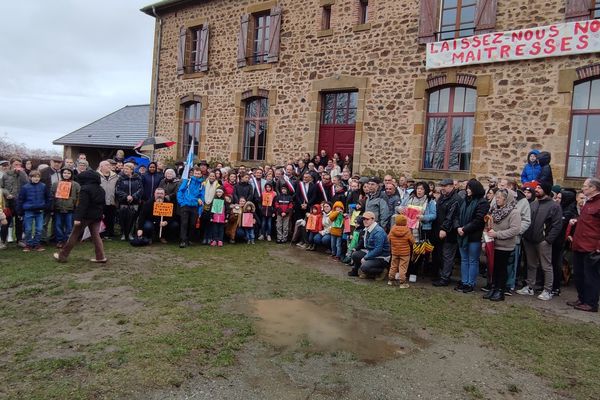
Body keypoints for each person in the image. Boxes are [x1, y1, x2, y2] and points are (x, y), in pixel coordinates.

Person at [517, 182, 562, 301]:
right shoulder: (533, 204)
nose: (536, 189)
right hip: (529, 239)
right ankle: (530, 286)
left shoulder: (554, 206)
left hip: (543, 241)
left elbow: (557, 226)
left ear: (546, 190)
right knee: (531, 265)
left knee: (546, 266)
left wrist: (548, 240)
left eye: (539, 188)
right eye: (536, 187)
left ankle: (548, 290)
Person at [53, 170, 106, 263]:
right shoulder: (101, 189)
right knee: (96, 236)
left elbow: (82, 205)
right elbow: (102, 204)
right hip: (97, 216)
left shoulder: (85, 189)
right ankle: (100, 257)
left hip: (85, 216)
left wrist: (77, 218)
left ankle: (62, 255)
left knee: (74, 235)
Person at [484, 189, 522, 301]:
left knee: (501, 268)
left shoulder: (514, 212)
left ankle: (500, 290)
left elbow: (515, 230)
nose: (497, 199)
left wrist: (497, 234)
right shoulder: (494, 210)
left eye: (500, 197)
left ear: (506, 199)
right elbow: (488, 225)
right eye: (497, 197)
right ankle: (493, 287)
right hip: (493, 244)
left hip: (505, 245)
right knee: (493, 268)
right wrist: (485, 239)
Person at [569, 177, 600, 312]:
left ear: (593, 188)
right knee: (579, 274)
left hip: (591, 246)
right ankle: (582, 298)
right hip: (579, 244)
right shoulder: (587, 202)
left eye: (585, 186)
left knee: (591, 276)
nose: (583, 188)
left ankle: (591, 303)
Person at [456, 179, 488, 293]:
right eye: (467, 188)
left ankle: (471, 283)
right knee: (464, 260)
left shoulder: (482, 202)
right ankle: (464, 281)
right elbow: (458, 215)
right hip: (462, 234)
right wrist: (459, 227)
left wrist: (465, 229)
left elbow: (479, 220)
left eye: (470, 188)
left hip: (473, 235)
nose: (468, 190)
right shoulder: (465, 201)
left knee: (473, 260)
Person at [432, 178, 464, 286]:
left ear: (451, 186)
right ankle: (441, 275)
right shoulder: (443, 197)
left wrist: (444, 229)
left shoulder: (456, 199)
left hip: (449, 233)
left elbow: (451, 216)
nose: (442, 188)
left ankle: (445, 278)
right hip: (439, 229)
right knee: (440, 254)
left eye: (444, 186)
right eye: (442, 186)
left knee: (447, 255)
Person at [348, 211, 391, 279]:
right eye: (364, 219)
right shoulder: (366, 229)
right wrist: (356, 248)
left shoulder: (378, 231)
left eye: (367, 219)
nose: (365, 221)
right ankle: (356, 271)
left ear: (373, 219)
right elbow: (363, 242)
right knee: (355, 254)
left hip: (381, 257)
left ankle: (382, 271)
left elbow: (378, 250)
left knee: (364, 266)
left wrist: (366, 257)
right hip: (371, 252)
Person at [18, 170, 51, 252]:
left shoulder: (43, 186)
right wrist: (20, 212)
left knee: (39, 229)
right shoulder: (25, 187)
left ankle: (36, 244)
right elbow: (20, 200)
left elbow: (48, 197)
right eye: (34, 177)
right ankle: (28, 244)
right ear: (30, 178)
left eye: (38, 177)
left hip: (39, 211)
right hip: (28, 211)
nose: (36, 179)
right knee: (28, 229)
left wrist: (46, 206)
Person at [1, 158, 29, 247]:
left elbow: (27, 184)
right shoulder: (5, 175)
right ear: (11, 164)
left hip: (19, 202)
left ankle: (19, 240)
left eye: (19, 165)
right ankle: (3, 241)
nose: (17, 166)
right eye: (16, 164)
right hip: (8, 202)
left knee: (19, 222)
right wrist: (7, 194)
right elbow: (1, 187)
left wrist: (22, 174)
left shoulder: (23, 174)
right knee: (6, 222)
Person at [50, 168, 80, 248]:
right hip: (58, 208)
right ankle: (59, 240)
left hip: (70, 208)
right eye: (65, 173)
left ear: (71, 174)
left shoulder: (76, 185)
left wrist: (76, 206)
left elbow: (78, 197)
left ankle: (67, 240)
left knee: (69, 226)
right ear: (62, 174)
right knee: (58, 225)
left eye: (68, 173)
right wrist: (52, 207)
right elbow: (52, 196)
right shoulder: (56, 184)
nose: (66, 174)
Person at [177, 167, 205, 248]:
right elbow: (180, 191)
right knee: (184, 223)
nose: (197, 175)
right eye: (195, 173)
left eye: (198, 174)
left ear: (201, 174)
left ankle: (189, 239)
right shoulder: (187, 181)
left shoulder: (202, 184)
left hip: (195, 206)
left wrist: (200, 209)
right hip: (185, 205)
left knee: (193, 224)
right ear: (193, 173)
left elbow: (202, 197)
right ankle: (183, 240)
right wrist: (181, 202)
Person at [115, 162, 143, 241]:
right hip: (123, 202)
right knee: (123, 218)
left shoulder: (138, 178)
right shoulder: (120, 178)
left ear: (131, 170)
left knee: (133, 218)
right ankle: (124, 233)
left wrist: (133, 197)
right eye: (124, 168)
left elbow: (140, 189)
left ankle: (130, 233)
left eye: (127, 169)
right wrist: (126, 196)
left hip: (134, 202)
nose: (125, 170)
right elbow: (118, 190)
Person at [387, 214, 414, 288]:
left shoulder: (393, 229)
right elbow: (412, 241)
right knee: (402, 267)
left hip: (395, 252)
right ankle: (402, 283)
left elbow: (388, 239)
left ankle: (390, 280)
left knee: (393, 266)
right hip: (405, 253)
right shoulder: (407, 230)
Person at [98, 160, 118, 239]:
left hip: (112, 201)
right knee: (101, 218)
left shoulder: (115, 176)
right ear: (101, 167)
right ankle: (101, 234)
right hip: (101, 201)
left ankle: (110, 234)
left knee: (111, 218)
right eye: (106, 165)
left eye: (109, 165)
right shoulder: (97, 175)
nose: (109, 166)